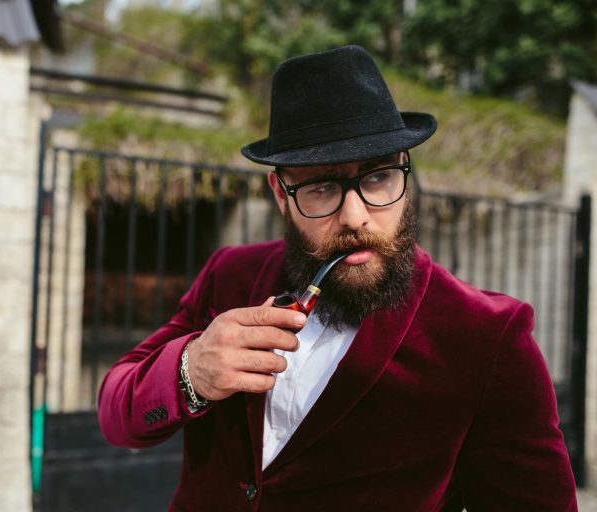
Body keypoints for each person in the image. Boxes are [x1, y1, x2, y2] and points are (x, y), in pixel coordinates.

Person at [98, 45, 577, 511]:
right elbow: (117, 415)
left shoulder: (487, 336)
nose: (355, 216)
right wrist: (192, 371)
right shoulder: (231, 274)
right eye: (322, 187)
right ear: (281, 195)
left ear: (405, 178)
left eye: (377, 179)